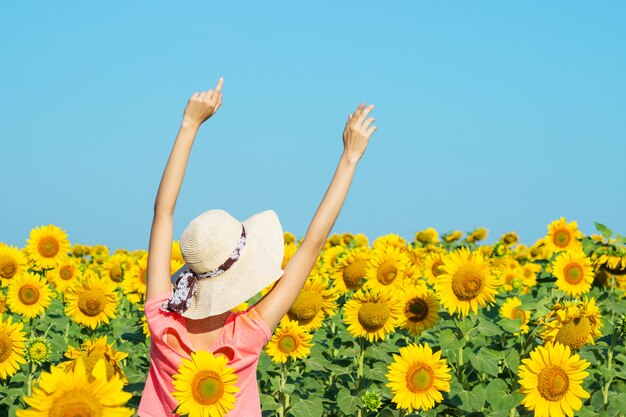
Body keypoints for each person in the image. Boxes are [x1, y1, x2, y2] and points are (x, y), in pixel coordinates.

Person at [137, 77, 377, 417]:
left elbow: (163, 212)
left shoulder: (163, 321)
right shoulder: (247, 335)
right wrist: (350, 157)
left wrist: (189, 124)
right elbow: (313, 244)